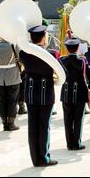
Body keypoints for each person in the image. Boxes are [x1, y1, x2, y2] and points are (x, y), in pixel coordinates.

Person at [18, 25, 60, 167]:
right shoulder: (51, 54)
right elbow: (62, 72)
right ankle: (44, 157)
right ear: (43, 37)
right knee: (43, 126)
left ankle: (35, 158)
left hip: (30, 92)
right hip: (45, 93)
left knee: (33, 126)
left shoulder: (23, 53)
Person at [59, 38, 90, 150]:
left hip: (65, 92)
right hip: (79, 93)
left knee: (67, 120)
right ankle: (76, 143)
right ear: (78, 48)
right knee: (78, 119)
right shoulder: (82, 61)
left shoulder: (61, 60)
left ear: (67, 48)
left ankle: (69, 144)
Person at [0, 36, 22, 131]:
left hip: (0, 76)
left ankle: (4, 123)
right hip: (13, 75)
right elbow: (20, 59)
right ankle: (11, 123)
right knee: (12, 100)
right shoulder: (14, 45)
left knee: (3, 100)